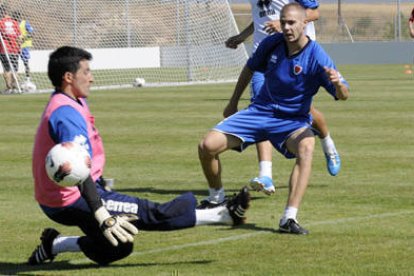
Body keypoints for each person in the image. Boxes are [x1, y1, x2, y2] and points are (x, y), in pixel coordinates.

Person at [28, 46, 250, 266]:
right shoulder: (65, 114)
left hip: (65, 195)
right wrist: (101, 211)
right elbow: (77, 169)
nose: (92, 78)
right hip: (69, 198)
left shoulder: (70, 100)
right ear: (68, 77)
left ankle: (54, 244)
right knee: (147, 212)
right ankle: (222, 214)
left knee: (117, 246)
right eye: (86, 72)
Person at [198, 3, 349, 234]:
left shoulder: (317, 56)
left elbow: (343, 95)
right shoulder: (272, 43)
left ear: (304, 23)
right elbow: (250, 68)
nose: (286, 28)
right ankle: (216, 199)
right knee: (207, 146)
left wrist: (338, 84)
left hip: (292, 122)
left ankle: (289, 218)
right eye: (284, 22)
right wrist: (233, 102)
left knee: (307, 147)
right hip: (259, 112)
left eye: (291, 23)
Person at [224, 0, 341, 197]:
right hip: (268, 55)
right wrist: (242, 36)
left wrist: (282, 24)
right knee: (261, 109)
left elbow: (314, 13)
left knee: (305, 109)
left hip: (298, 53)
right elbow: (260, 20)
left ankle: (328, 145)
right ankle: (266, 175)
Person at [0, 4, 21, 94]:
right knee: (15, 69)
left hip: (4, 49)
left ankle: (8, 88)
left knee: (7, 69)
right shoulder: (15, 23)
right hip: (15, 49)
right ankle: (15, 87)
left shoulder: (0, 23)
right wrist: (19, 48)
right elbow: (19, 37)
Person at [12, 10, 34, 82]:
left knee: (25, 62)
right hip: (15, 46)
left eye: (16, 17)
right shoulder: (13, 24)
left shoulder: (25, 23)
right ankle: (15, 81)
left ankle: (28, 79)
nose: (15, 18)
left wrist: (23, 38)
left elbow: (32, 34)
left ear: (19, 17)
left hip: (24, 46)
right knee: (15, 63)